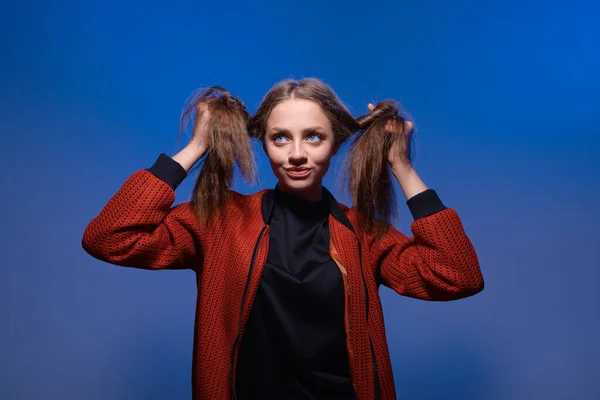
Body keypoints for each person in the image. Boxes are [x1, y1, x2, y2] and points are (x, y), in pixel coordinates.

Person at [82, 78, 484, 400]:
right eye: (280, 138)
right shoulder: (220, 221)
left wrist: (401, 166)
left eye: (312, 137)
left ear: (334, 145)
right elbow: (110, 237)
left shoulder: (364, 234)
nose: (296, 154)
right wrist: (196, 147)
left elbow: (457, 275)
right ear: (265, 144)